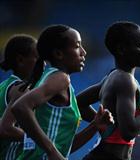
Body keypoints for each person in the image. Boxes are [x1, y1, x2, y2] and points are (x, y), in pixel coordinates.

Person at [11, 24, 113, 160]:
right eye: (77, 46)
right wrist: (51, 151)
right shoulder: (60, 78)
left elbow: (63, 148)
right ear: (59, 54)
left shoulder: (56, 81)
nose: (84, 52)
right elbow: (20, 107)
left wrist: (94, 126)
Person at [81, 21, 140, 160]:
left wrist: (108, 126)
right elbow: (129, 132)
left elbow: (78, 103)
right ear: (122, 49)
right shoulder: (125, 80)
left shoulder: (112, 77)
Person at [0, 34, 39, 160]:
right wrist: (39, 139)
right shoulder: (21, 90)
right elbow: (5, 129)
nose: (43, 64)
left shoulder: (3, 86)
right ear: (21, 60)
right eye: (37, 58)